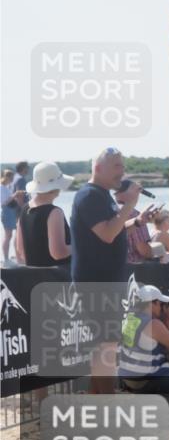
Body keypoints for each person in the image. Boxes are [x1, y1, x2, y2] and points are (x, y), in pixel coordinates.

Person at [71, 147, 144, 394]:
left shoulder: (102, 195)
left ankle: (94, 400)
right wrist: (130, 203)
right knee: (105, 346)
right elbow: (107, 234)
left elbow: (114, 229)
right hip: (95, 282)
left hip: (108, 280)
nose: (122, 171)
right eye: (116, 166)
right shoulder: (89, 195)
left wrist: (135, 220)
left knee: (106, 345)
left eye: (123, 166)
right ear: (98, 168)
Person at [15, 161, 72, 267]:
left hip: (35, 278)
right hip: (56, 278)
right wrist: (79, 245)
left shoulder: (24, 209)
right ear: (56, 187)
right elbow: (58, 253)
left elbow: (21, 251)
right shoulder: (54, 212)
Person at [113, 183, 160, 264]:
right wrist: (162, 251)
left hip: (117, 266)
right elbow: (143, 251)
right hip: (134, 269)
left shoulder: (111, 211)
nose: (138, 194)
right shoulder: (133, 214)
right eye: (137, 191)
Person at [1, 170, 17, 262]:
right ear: (6, 177)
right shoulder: (2, 187)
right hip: (7, 212)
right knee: (8, 236)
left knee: (9, 235)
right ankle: (6, 258)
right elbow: (4, 202)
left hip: (10, 212)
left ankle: (8, 257)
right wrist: (14, 195)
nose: (12, 179)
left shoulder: (6, 187)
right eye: (11, 178)